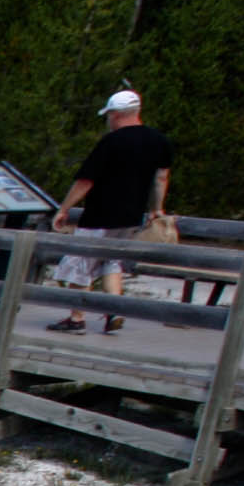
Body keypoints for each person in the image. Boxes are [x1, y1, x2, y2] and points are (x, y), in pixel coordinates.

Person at [45, 90, 173, 334]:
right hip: (132, 216)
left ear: (115, 115)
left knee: (81, 263)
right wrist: (156, 208)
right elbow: (161, 177)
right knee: (112, 262)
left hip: (100, 214)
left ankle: (77, 317)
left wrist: (64, 209)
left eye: (109, 115)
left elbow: (86, 180)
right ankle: (114, 311)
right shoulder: (159, 141)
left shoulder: (111, 141)